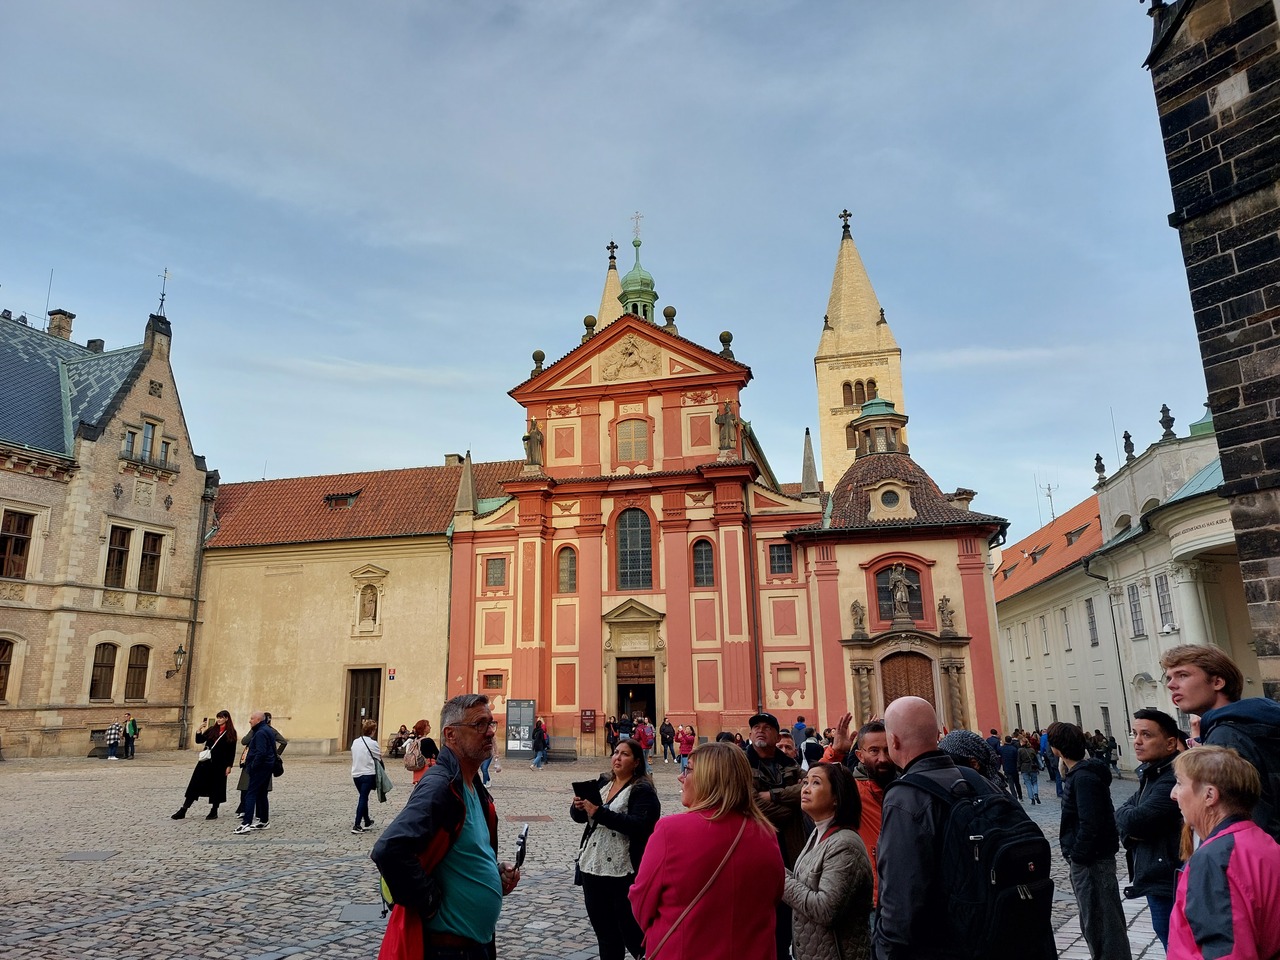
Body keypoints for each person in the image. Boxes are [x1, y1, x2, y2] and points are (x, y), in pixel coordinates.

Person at [372, 694, 521, 960]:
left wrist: (494, 873)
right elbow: (390, 849)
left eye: (491, 723)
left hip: (475, 945)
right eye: (479, 725)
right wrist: (429, 903)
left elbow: (462, 852)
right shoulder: (440, 786)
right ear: (450, 735)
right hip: (448, 949)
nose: (489, 732)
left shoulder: (473, 786)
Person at [629, 742, 784, 960]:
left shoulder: (671, 831)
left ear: (708, 778)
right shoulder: (766, 832)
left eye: (688, 769)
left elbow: (641, 904)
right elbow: (773, 896)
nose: (681, 777)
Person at [874, 698, 995, 960]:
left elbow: (900, 901)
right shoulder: (977, 779)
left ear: (893, 741)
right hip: (989, 934)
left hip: (940, 944)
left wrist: (884, 951)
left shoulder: (905, 798)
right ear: (939, 735)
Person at [1168, 745, 1280, 960]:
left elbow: (1226, 953)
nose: (1174, 794)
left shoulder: (1215, 859)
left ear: (1209, 795)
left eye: (1180, 783)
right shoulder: (1264, 843)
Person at [1162, 643, 1280, 840]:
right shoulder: (1251, 724)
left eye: (1182, 675)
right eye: (1169, 677)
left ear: (1217, 682)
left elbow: (1237, 820)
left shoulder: (1226, 737)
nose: (1171, 684)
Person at [1046, 721, 1131, 960]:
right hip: (1092, 860)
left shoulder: (1083, 779)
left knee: (1101, 925)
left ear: (1057, 749)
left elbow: (1090, 823)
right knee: (1097, 923)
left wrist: (1078, 855)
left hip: (1091, 862)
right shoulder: (1083, 775)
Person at [570, 738, 661, 960]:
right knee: (606, 936)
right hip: (593, 866)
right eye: (616, 752)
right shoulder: (603, 784)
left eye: (624, 754)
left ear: (637, 762)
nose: (617, 757)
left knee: (632, 934)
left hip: (623, 872)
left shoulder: (643, 791)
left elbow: (639, 825)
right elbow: (582, 819)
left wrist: (598, 812)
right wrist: (578, 808)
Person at [783, 762, 873, 960]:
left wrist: (780, 880)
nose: (805, 789)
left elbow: (825, 909)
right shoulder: (818, 832)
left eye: (815, 783)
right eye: (805, 782)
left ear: (836, 797)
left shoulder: (845, 844)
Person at [1114, 708, 1182, 950]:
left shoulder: (1171, 778)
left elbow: (1135, 820)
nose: (1137, 742)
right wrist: (1128, 822)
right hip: (1158, 877)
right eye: (1134, 734)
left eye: (1147, 735)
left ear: (1170, 743)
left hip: (1168, 879)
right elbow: (1125, 813)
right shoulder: (1152, 774)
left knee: (1177, 946)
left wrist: (1129, 824)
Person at [746, 712, 804, 960]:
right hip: (755, 850)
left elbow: (807, 788)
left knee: (787, 917)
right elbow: (749, 804)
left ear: (776, 733)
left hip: (790, 850)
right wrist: (791, 806)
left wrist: (773, 795)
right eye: (756, 727)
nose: (760, 730)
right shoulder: (741, 762)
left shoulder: (790, 763)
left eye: (767, 727)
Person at [172, 711, 237, 820]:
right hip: (205, 763)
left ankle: (214, 810)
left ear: (226, 718)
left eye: (221, 718)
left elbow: (231, 751)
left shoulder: (231, 732)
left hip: (219, 764)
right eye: (218, 718)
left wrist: (229, 766)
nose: (219, 720)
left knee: (217, 788)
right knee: (194, 785)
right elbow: (199, 740)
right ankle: (183, 809)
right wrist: (199, 730)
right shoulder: (212, 729)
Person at [235, 711, 278, 835]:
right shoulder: (267, 729)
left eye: (252, 719)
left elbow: (261, 752)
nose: (250, 721)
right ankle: (264, 820)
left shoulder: (260, 732)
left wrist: (253, 765)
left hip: (260, 768)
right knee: (262, 794)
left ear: (258, 720)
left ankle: (246, 823)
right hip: (267, 766)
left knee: (251, 793)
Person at [351, 719, 382, 834]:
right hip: (368, 774)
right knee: (363, 798)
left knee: (363, 797)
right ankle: (357, 824)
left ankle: (367, 820)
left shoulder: (355, 742)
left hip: (356, 773)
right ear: (373, 731)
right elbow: (378, 757)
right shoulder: (373, 743)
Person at [404, 719, 439, 786]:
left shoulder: (415, 741)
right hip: (428, 769)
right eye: (428, 725)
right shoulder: (428, 741)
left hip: (418, 770)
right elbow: (438, 755)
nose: (430, 727)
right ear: (424, 728)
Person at [1018, 734, 1042, 805]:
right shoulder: (1032, 749)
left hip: (1024, 767)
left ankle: (1032, 799)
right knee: (1034, 782)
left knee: (1028, 783)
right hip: (1033, 767)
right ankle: (1036, 794)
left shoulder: (1020, 750)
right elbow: (1036, 759)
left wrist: (1018, 768)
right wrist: (1038, 767)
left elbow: (1019, 760)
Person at [1000, 736, 1023, 800]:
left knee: (1011, 784)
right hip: (1014, 768)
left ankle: (1014, 796)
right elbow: (1017, 759)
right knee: (1017, 783)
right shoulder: (1014, 749)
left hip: (1007, 768)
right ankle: (1020, 795)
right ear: (1011, 741)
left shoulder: (1002, 748)